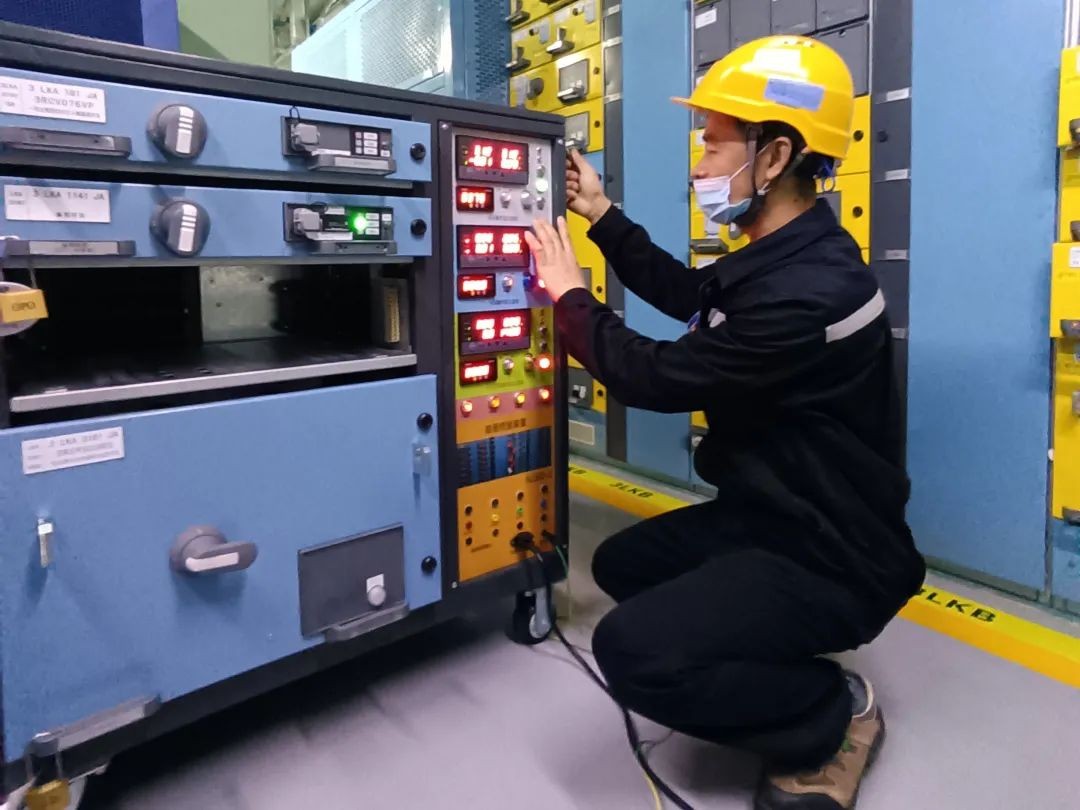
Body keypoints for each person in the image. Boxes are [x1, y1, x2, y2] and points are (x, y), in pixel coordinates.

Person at [523, 35, 926, 810]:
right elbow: (690, 297)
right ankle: (758, 648)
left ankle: (831, 711)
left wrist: (570, 296)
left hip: (833, 552)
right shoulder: (787, 254)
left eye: (714, 144)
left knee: (631, 650)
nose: (700, 164)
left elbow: (652, 376)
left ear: (773, 157)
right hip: (776, 514)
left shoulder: (810, 290)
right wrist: (600, 214)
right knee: (625, 568)